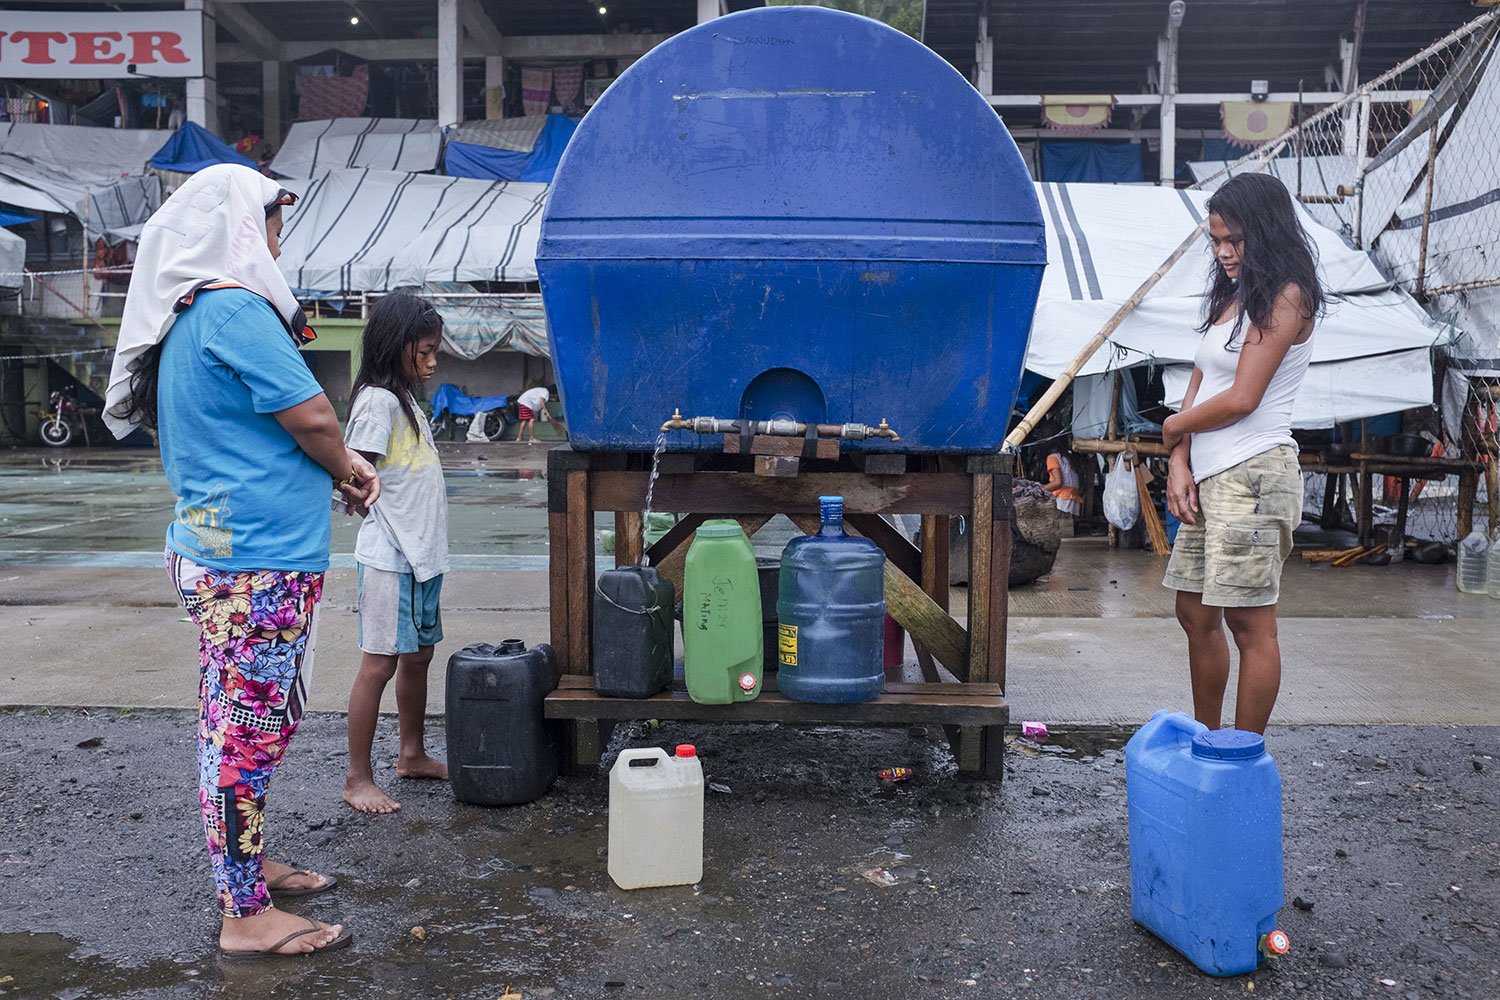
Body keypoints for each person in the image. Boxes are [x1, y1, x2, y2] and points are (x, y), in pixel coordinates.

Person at [103, 164, 379, 957]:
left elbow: (253, 436)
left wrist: (334, 470)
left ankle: (246, 871)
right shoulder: (233, 308)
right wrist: (350, 468)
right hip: (256, 567)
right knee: (246, 736)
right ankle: (245, 915)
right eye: (271, 226)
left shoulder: (186, 317)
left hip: (222, 554)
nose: (277, 244)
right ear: (237, 230)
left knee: (232, 727)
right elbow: (314, 417)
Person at [1160, 172, 1323, 735]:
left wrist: (1171, 427)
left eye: (1236, 239)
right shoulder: (1232, 297)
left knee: (1250, 625)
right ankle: (1207, 740)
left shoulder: (1288, 296)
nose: (1224, 252)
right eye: (1216, 240)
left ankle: (1241, 756)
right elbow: (1201, 381)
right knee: (1193, 611)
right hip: (1208, 473)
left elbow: (1242, 398)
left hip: (1254, 474)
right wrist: (1178, 459)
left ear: (1267, 231)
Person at [341, 293, 451, 814]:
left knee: (419, 657)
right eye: (424, 352)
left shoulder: (403, 398)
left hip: (421, 556)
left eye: (434, 352)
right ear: (396, 346)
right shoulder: (378, 402)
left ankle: (412, 754)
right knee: (379, 665)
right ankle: (357, 779)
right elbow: (350, 474)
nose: (433, 362)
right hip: (390, 557)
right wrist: (355, 497)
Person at [1041, 442, 1083, 520]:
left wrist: (1040, 489)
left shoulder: (1052, 458)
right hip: (1073, 499)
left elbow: (1058, 483)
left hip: (1063, 501)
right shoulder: (1068, 458)